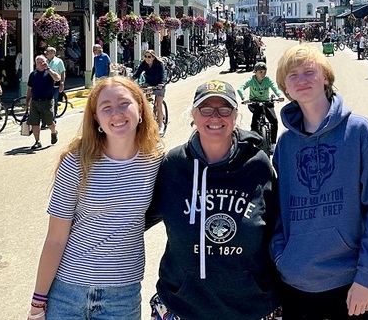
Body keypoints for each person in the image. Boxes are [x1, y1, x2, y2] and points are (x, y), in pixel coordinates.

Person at [29, 77, 163, 320]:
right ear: (96, 119)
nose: (117, 113)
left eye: (124, 103)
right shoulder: (77, 161)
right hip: (68, 291)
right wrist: (38, 302)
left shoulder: (156, 161)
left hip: (122, 294)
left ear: (141, 108)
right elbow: (56, 238)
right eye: (106, 107)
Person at [272, 45, 368, 320]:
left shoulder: (359, 131)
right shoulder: (285, 145)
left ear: (325, 76)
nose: (302, 80)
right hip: (295, 282)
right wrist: (281, 257)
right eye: (293, 75)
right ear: (285, 88)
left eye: (309, 72)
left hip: (348, 282)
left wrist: (366, 277)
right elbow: (278, 210)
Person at [148, 79, 281, 320]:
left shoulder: (258, 164)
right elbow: (133, 218)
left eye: (225, 109)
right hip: (183, 306)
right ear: (193, 115)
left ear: (236, 115)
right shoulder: (174, 165)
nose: (215, 117)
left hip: (253, 307)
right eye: (206, 109)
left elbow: (279, 227)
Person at [237, 61, 283, 149]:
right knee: (255, 121)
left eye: (265, 72)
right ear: (255, 72)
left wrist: (279, 95)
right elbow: (241, 88)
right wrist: (244, 98)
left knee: (274, 120)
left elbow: (275, 88)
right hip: (254, 103)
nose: (263, 74)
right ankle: (252, 140)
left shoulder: (267, 80)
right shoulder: (251, 80)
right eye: (260, 72)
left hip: (266, 102)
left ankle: (273, 143)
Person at [26, 55, 61, 150]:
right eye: (39, 62)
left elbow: (57, 78)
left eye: (43, 62)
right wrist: (27, 101)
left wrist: (48, 69)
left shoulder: (49, 73)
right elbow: (29, 89)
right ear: (36, 64)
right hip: (35, 101)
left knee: (49, 122)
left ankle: (53, 132)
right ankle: (37, 141)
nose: (41, 64)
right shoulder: (32, 75)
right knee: (34, 122)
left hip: (47, 101)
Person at [132, 50, 167, 135]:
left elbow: (163, 74)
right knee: (143, 102)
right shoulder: (144, 63)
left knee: (158, 105)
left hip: (159, 85)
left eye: (149, 57)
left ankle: (160, 126)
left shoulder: (159, 64)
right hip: (148, 84)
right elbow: (137, 73)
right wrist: (130, 80)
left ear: (153, 57)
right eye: (146, 56)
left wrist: (162, 83)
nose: (147, 59)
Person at [45, 46, 66, 121]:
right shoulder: (45, 61)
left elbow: (62, 72)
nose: (46, 53)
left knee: (54, 101)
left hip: (55, 84)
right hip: (46, 84)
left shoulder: (58, 61)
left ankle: (52, 119)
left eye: (47, 52)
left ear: (52, 53)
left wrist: (62, 83)